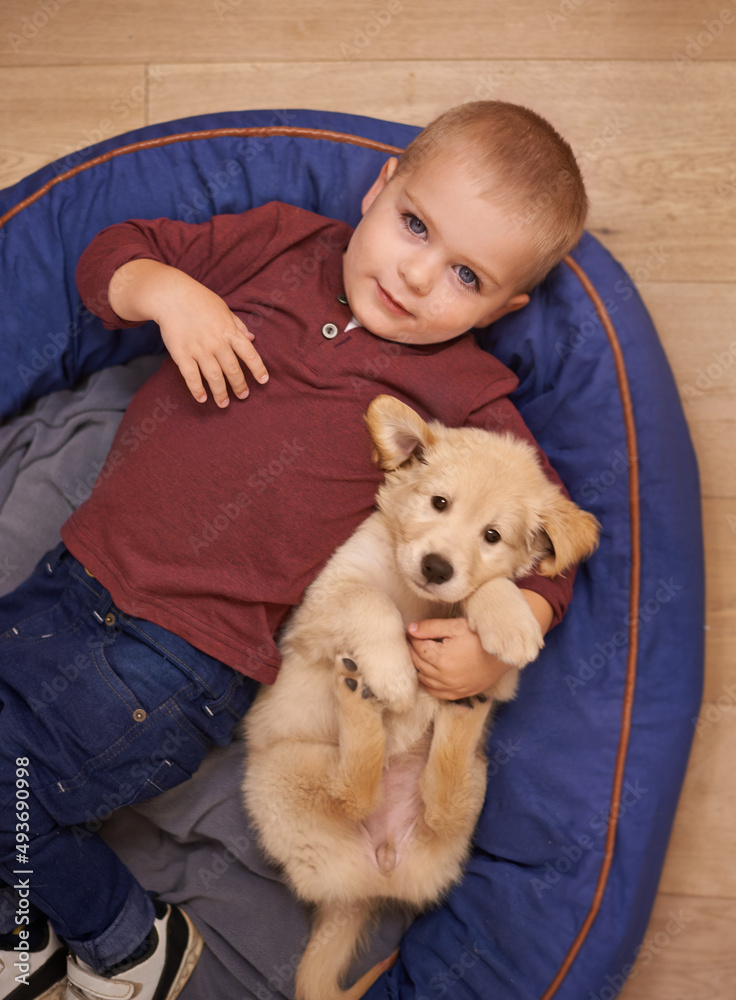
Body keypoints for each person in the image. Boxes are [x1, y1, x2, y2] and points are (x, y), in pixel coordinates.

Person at [0, 100, 588, 1000]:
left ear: (504, 308)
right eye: (415, 226)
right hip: (71, 580)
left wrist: (498, 634)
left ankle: (125, 946)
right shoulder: (277, 246)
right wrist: (172, 294)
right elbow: (104, 255)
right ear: (379, 188)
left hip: (175, 659)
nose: (418, 275)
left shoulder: (466, 396)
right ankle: (31, 935)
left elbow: (547, 532)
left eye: (465, 275)